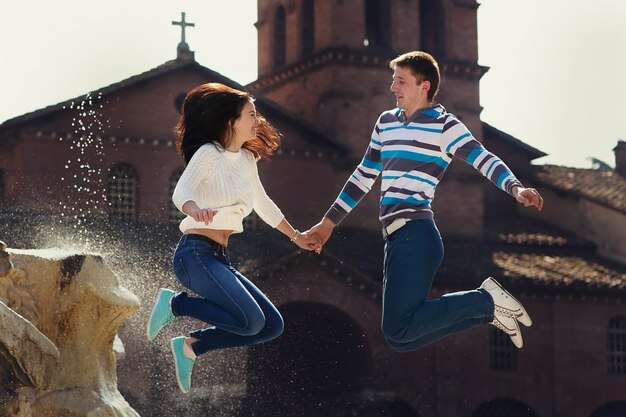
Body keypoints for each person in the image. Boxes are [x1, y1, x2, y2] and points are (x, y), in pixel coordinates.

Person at [307, 51, 544, 352]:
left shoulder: (445, 125)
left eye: (401, 82)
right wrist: (328, 223)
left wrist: (515, 188)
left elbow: (482, 158)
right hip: (394, 239)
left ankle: (485, 300)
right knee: (399, 338)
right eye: (393, 81)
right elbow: (363, 176)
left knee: (398, 328)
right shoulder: (385, 122)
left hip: (416, 235)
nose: (393, 88)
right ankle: (487, 309)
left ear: (424, 86)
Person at [146, 83, 317, 393]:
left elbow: (263, 204)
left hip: (219, 258)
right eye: (251, 114)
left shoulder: (247, 160)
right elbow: (181, 191)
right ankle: (176, 304)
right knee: (250, 321)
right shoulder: (210, 153)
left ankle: (191, 348)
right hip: (194, 254)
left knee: (271, 325)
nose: (257, 120)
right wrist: (193, 208)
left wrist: (296, 236)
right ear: (231, 121)